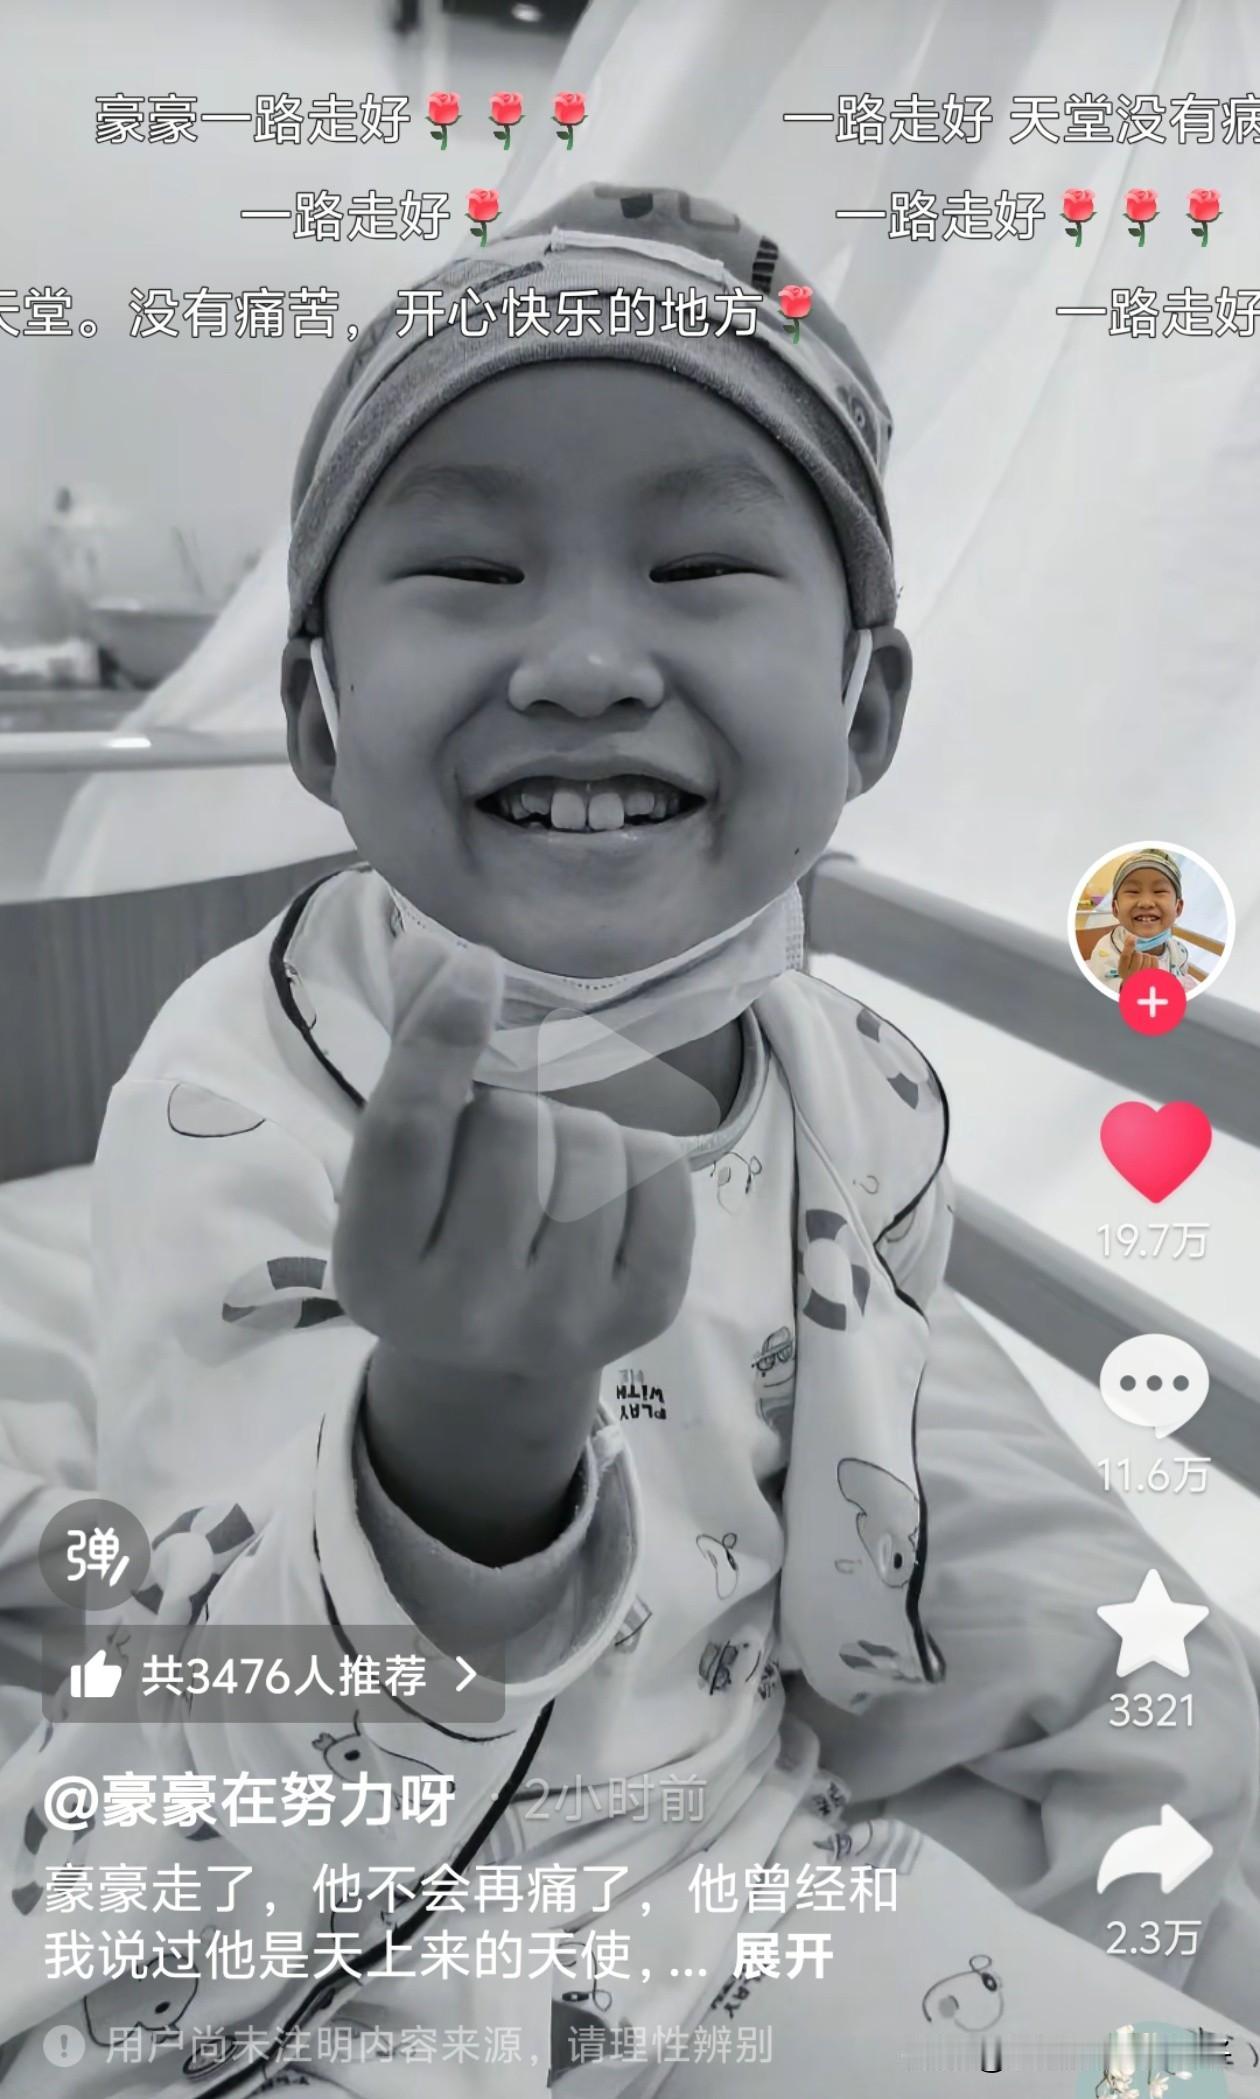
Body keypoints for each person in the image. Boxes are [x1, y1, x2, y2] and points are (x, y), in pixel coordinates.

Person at [1, 186, 1258, 2097]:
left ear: (866, 711)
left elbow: (848, 1494)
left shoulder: (862, 1092)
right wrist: (456, 1441)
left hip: (719, 1860)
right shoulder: (234, 1088)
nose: (585, 660)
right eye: (471, 570)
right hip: (295, 1943)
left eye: (697, 568)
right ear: (317, 718)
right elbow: (210, 1685)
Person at [1087, 849, 1203, 988]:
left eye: (1159, 891)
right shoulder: (1105, 951)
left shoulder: (1179, 951)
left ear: (1177, 908)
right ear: (1115, 908)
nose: (1146, 903)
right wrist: (1128, 986)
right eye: (1133, 891)